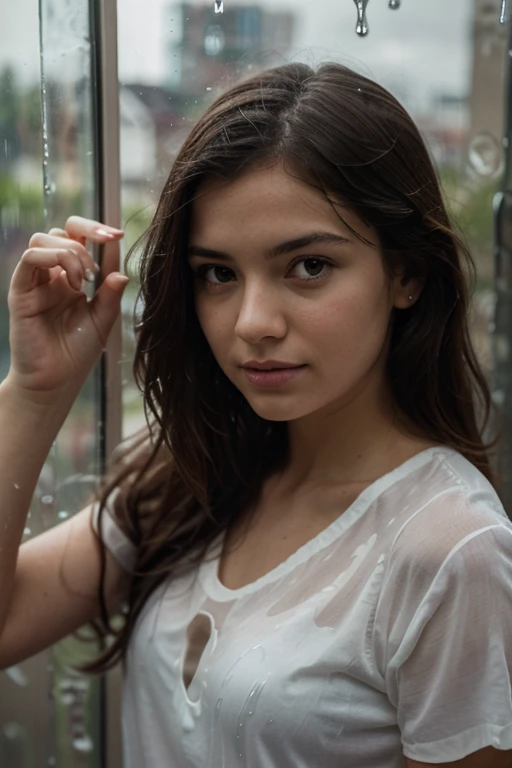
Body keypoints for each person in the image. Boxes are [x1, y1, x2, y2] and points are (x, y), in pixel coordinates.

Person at [1, 61, 512, 768]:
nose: (253, 323)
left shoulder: (451, 549)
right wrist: (34, 390)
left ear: (406, 274)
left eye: (307, 267)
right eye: (218, 273)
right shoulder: (186, 471)